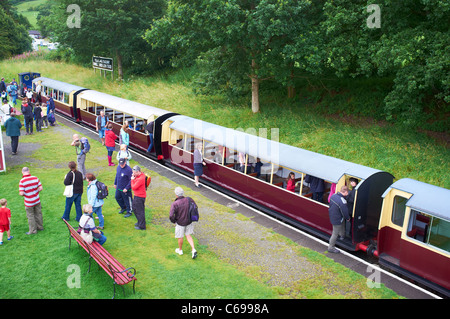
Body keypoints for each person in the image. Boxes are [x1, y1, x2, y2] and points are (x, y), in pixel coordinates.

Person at [169, 187, 198, 259]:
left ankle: (180, 250)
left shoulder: (175, 204)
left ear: (176, 195)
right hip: (189, 221)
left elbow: (171, 215)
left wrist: (174, 221)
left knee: (180, 237)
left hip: (180, 223)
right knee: (188, 235)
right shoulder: (189, 199)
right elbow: (195, 207)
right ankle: (193, 249)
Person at [19, 167, 44, 235]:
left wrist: (22, 194)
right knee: (38, 214)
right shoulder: (35, 178)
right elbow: (40, 188)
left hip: (29, 202)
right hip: (37, 200)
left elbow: (22, 193)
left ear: (22, 172)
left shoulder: (22, 181)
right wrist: (35, 191)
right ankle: (40, 227)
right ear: (29, 171)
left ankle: (33, 230)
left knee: (30, 216)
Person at [328, 186, 350, 253]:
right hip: (337, 219)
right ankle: (331, 247)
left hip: (332, 216)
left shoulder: (334, 196)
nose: (348, 193)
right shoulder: (342, 201)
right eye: (348, 192)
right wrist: (348, 218)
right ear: (345, 192)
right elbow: (345, 212)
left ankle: (342, 235)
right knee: (335, 233)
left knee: (341, 225)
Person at [131, 166, 146, 230]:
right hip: (138, 195)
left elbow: (133, 187)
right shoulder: (140, 175)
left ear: (138, 172)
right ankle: (140, 222)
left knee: (140, 211)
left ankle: (142, 226)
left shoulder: (140, 179)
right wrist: (135, 178)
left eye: (134, 173)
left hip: (139, 196)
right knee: (134, 208)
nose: (133, 174)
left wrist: (132, 180)